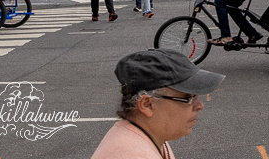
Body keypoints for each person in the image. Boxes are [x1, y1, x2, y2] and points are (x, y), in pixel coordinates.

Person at [90, 49, 225, 159]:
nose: (200, 105)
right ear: (147, 104)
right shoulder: (133, 154)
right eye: (188, 97)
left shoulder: (150, 135)